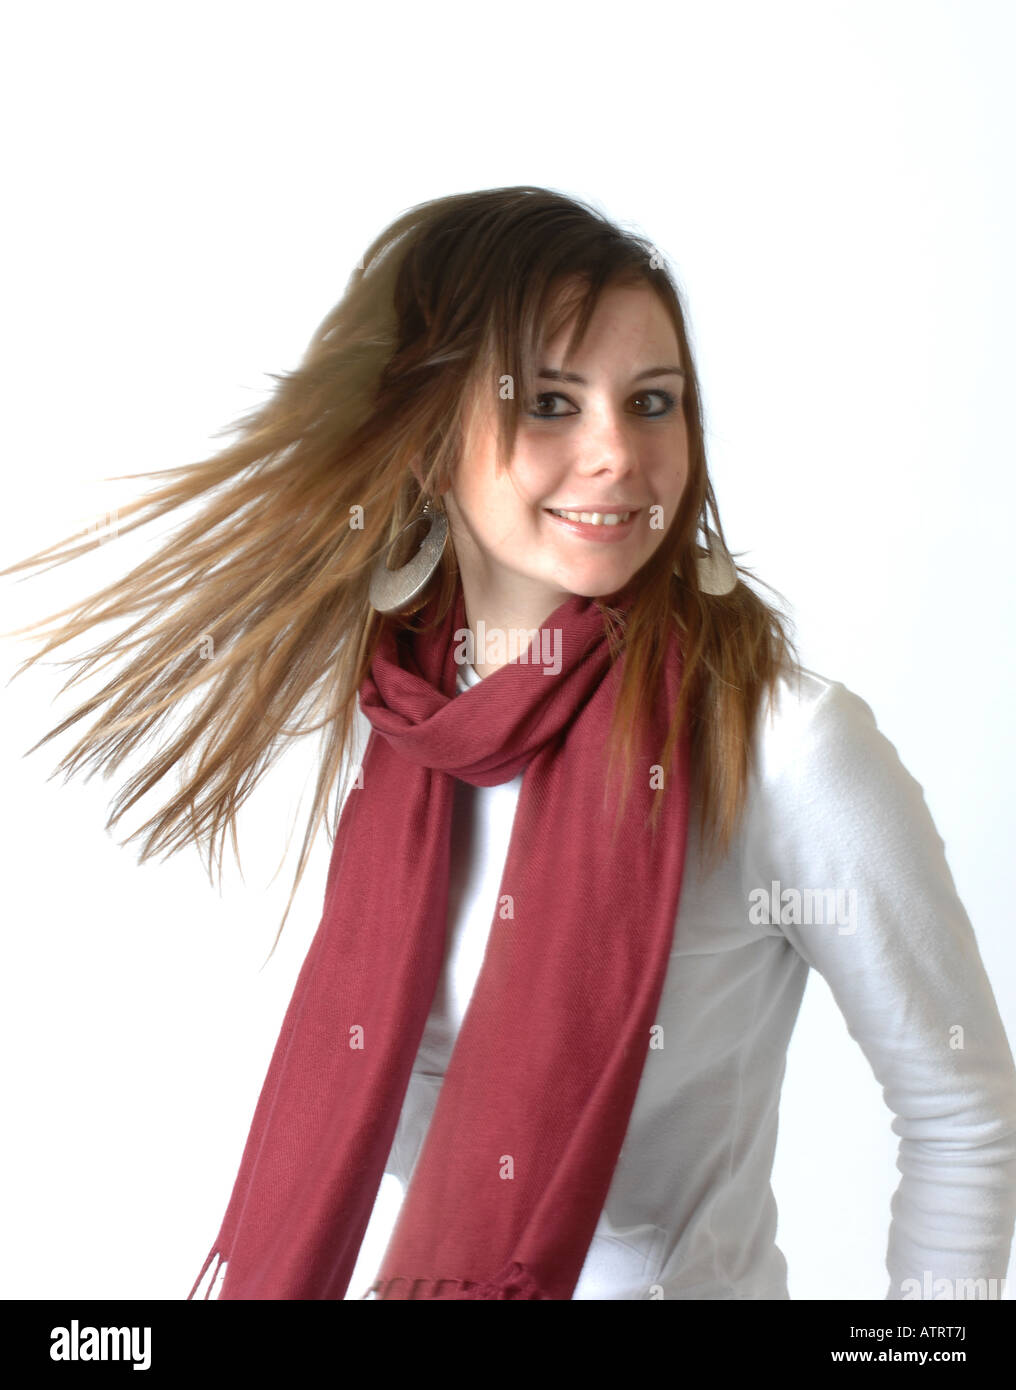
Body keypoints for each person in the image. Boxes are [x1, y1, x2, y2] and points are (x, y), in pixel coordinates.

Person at [5, 186, 1015, 1301]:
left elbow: (961, 1113)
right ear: (431, 443)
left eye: (651, 402)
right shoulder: (390, 732)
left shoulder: (783, 745)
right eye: (547, 402)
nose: (616, 456)